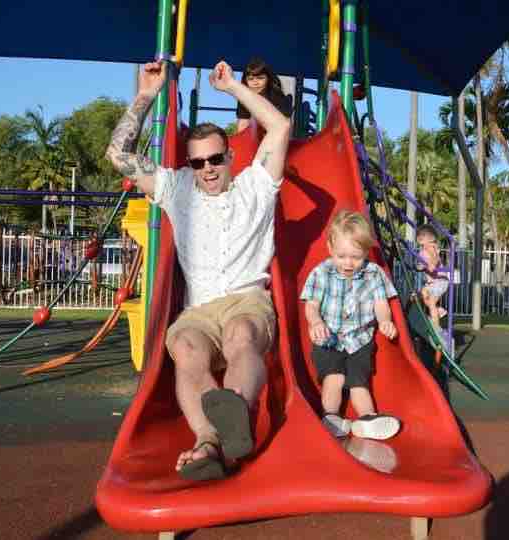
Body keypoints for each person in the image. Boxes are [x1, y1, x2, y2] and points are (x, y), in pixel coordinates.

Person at [105, 59, 290, 481]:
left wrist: (234, 91)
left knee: (241, 335)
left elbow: (278, 128)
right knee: (186, 347)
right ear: (189, 164)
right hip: (199, 311)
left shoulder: (255, 186)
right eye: (198, 161)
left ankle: (234, 414)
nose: (207, 168)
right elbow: (118, 155)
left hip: (246, 301)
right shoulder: (176, 188)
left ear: (229, 156)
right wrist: (146, 95)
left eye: (215, 159)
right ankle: (208, 441)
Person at [300, 210, 402, 441]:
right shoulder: (321, 273)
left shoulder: (373, 273)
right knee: (334, 378)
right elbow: (312, 305)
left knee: (359, 382)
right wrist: (315, 322)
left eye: (355, 257)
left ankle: (367, 419)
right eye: (342, 256)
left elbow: (381, 303)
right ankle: (331, 417)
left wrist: (385, 321)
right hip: (329, 338)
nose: (348, 263)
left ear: (366, 252)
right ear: (330, 248)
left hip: (360, 340)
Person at [236, 57, 293, 132]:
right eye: (250, 79)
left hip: (276, 133)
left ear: (268, 79)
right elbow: (243, 123)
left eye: (260, 78)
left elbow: (284, 126)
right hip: (257, 133)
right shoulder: (244, 98)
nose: (255, 83)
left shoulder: (278, 97)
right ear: (245, 81)